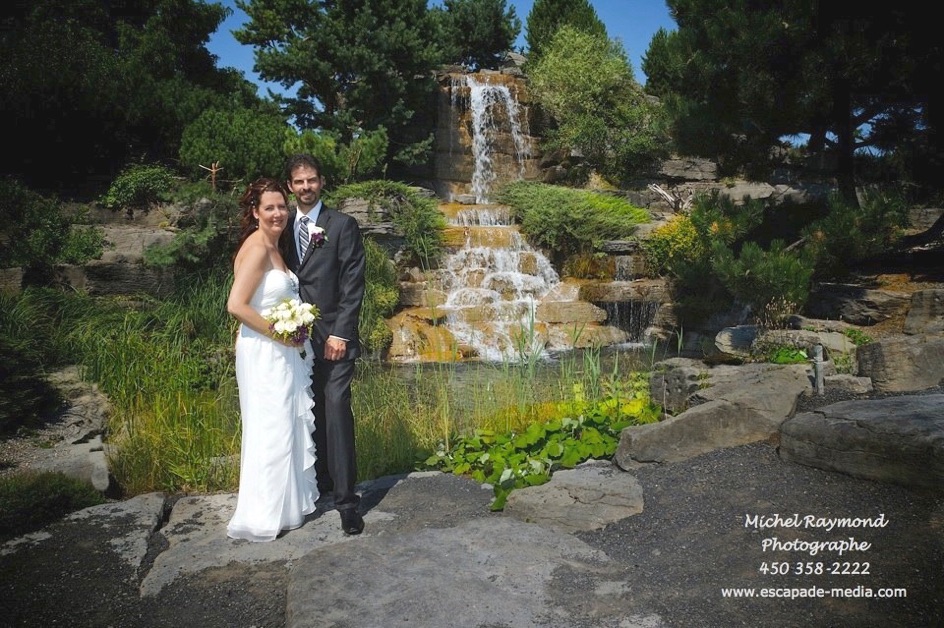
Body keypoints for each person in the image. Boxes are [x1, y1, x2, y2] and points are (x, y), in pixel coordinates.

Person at [225, 177, 319, 542]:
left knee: (284, 425)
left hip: (282, 351)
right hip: (266, 351)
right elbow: (236, 305)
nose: (278, 213)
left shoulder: (275, 247)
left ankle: (287, 509)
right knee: (271, 428)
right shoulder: (257, 247)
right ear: (255, 212)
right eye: (270, 208)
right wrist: (282, 333)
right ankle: (261, 515)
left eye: (282, 206)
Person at [281, 154, 367, 536]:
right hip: (294, 341)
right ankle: (319, 487)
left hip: (334, 337)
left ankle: (347, 503)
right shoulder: (282, 227)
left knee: (335, 409)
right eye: (299, 182)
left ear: (322, 182)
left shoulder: (342, 225)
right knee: (306, 413)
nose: (305, 187)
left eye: (311, 180)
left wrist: (341, 333)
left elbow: (353, 285)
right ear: (290, 186)